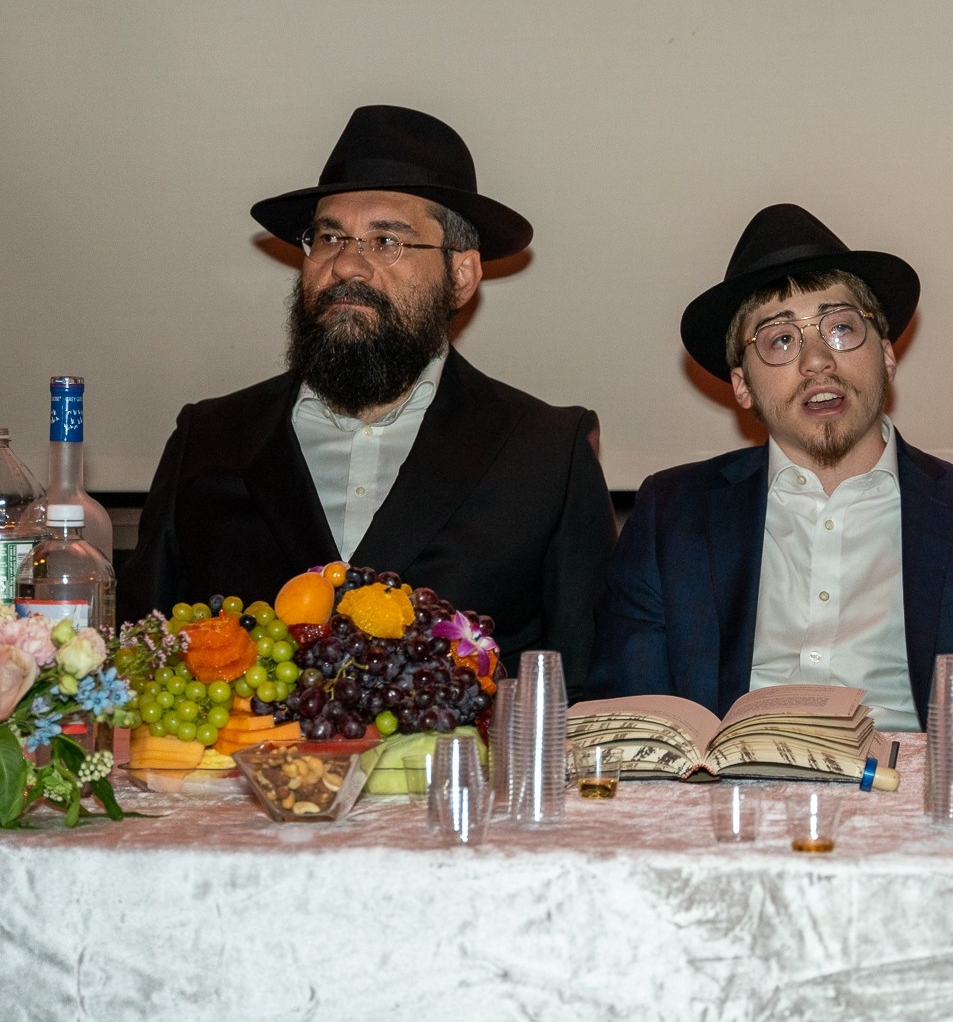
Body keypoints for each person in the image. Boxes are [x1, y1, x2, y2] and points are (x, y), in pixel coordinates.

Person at [121, 105, 616, 684]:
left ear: (461, 275)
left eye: (386, 240)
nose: (347, 265)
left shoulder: (546, 453)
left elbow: (585, 690)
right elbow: (140, 660)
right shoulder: (209, 439)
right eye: (330, 237)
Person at [587, 203, 953, 729]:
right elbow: (632, 726)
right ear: (742, 385)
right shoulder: (671, 515)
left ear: (887, 355)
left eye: (840, 329)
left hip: (911, 779)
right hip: (730, 780)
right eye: (781, 340)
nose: (816, 362)